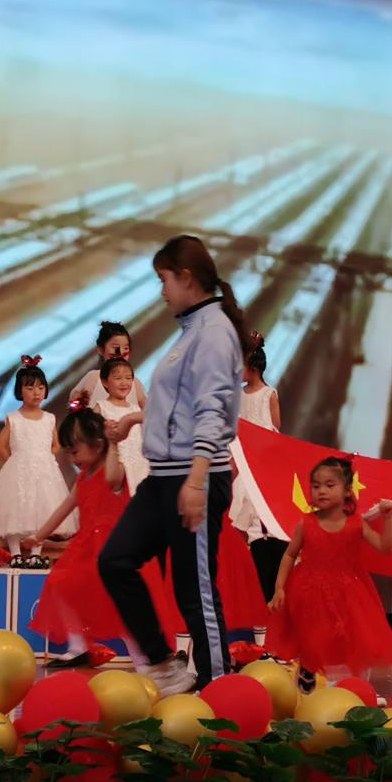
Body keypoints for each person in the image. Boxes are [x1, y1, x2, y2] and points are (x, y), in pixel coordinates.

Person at [96, 234, 248, 693]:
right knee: (116, 560)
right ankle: (165, 666)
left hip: (192, 476)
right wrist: (136, 420)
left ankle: (220, 689)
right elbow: (181, 403)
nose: (161, 291)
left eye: (164, 280)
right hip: (165, 477)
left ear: (186, 278)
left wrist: (197, 481)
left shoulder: (214, 331)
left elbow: (213, 409)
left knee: (194, 590)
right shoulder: (192, 331)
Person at [25, 408, 183, 668]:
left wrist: (113, 444)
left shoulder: (114, 467)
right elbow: (65, 507)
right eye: (69, 452)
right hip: (86, 548)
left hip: (113, 547)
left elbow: (111, 479)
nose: (73, 458)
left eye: (75, 451)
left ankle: (144, 660)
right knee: (59, 583)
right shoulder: (82, 478)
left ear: (98, 445)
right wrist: (38, 536)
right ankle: (78, 647)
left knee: (121, 606)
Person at [264, 455, 392, 689]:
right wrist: (279, 588)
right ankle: (308, 668)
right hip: (308, 591)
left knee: (352, 637)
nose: (321, 491)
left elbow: (385, 547)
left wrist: (387, 519)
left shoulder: (357, 524)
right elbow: (289, 555)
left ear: (347, 491)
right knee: (313, 634)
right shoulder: (306, 523)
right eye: (316, 486)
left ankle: (356, 688)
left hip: (349, 592)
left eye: (329, 485)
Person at [0, 357, 69, 563]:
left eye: (40, 387)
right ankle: (15, 553)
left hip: (43, 470)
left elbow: (56, 444)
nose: (36, 392)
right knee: (15, 510)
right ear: (20, 391)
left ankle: (35, 555)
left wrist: (45, 456)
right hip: (20, 470)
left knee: (42, 510)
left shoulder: (49, 418)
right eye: (30, 388)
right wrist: (15, 462)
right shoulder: (14, 418)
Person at [230, 335, 287, 597]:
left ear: (252, 367)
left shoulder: (269, 394)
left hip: (262, 461)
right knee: (237, 505)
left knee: (254, 503)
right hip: (242, 458)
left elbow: (276, 430)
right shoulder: (239, 396)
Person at [96, 356, 149, 490]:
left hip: (140, 462)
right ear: (105, 382)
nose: (124, 383)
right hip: (117, 464)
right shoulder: (101, 407)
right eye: (118, 378)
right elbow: (94, 436)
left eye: (128, 378)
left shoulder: (135, 409)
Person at [70, 320, 146, 412]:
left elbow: (148, 411)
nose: (121, 352)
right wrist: (79, 411)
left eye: (126, 348)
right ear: (101, 349)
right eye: (115, 347)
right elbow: (73, 406)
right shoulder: (94, 377)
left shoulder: (135, 383)